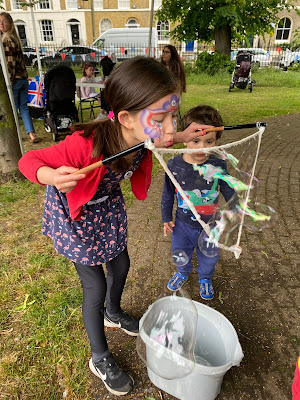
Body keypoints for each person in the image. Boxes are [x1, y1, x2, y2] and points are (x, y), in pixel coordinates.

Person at [18, 56, 208, 396]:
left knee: (121, 264)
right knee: (93, 285)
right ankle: (99, 355)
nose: (168, 128)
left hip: (105, 212)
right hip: (76, 217)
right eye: (161, 119)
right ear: (125, 118)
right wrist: (51, 176)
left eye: (173, 116)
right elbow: (29, 161)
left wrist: (184, 134)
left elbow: (163, 138)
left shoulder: (145, 134)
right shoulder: (83, 144)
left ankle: (114, 311)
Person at [161, 105, 236, 300]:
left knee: (210, 256)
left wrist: (236, 205)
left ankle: (205, 277)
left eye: (209, 141)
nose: (202, 147)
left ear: (216, 141)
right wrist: (165, 217)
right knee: (179, 251)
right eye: (196, 140)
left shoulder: (218, 163)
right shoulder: (174, 165)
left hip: (210, 224)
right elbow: (168, 193)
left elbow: (226, 187)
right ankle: (182, 272)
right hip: (182, 224)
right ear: (185, 139)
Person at [0, 12, 38, 143]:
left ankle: (16, 136)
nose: (1, 24)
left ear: (10, 23)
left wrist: (9, 79)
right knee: (23, 108)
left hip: (15, 79)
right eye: (0, 22)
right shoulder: (15, 38)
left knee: (13, 109)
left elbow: (10, 62)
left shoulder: (7, 39)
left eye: (4, 21)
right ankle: (31, 133)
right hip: (23, 78)